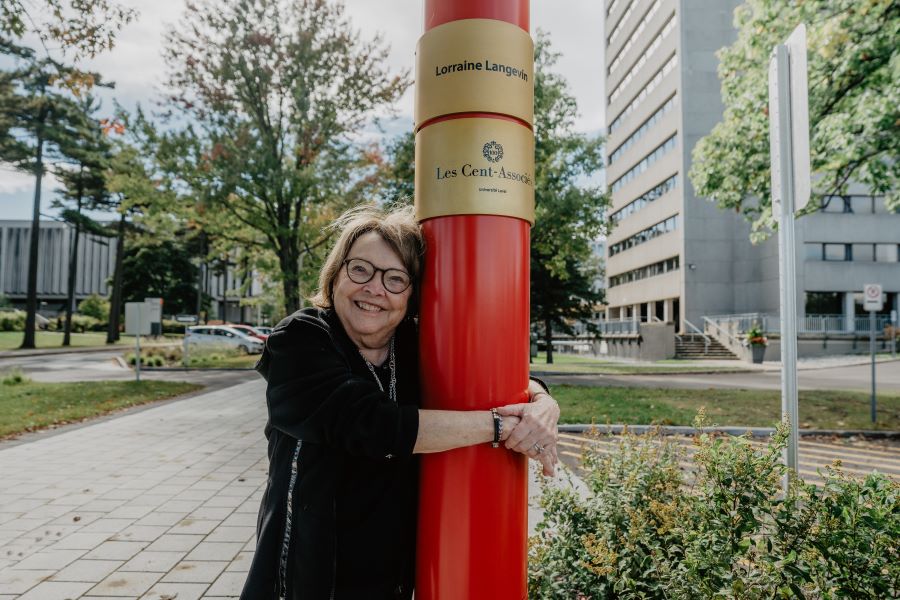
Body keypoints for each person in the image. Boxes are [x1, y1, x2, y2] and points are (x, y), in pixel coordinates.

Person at [240, 205, 560, 600]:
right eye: (360, 270)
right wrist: (503, 426)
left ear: (412, 295)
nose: (375, 289)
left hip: (393, 576)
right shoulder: (301, 339)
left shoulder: (412, 346)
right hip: (308, 573)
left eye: (396, 279)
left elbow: (484, 379)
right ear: (336, 273)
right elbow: (373, 425)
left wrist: (543, 403)